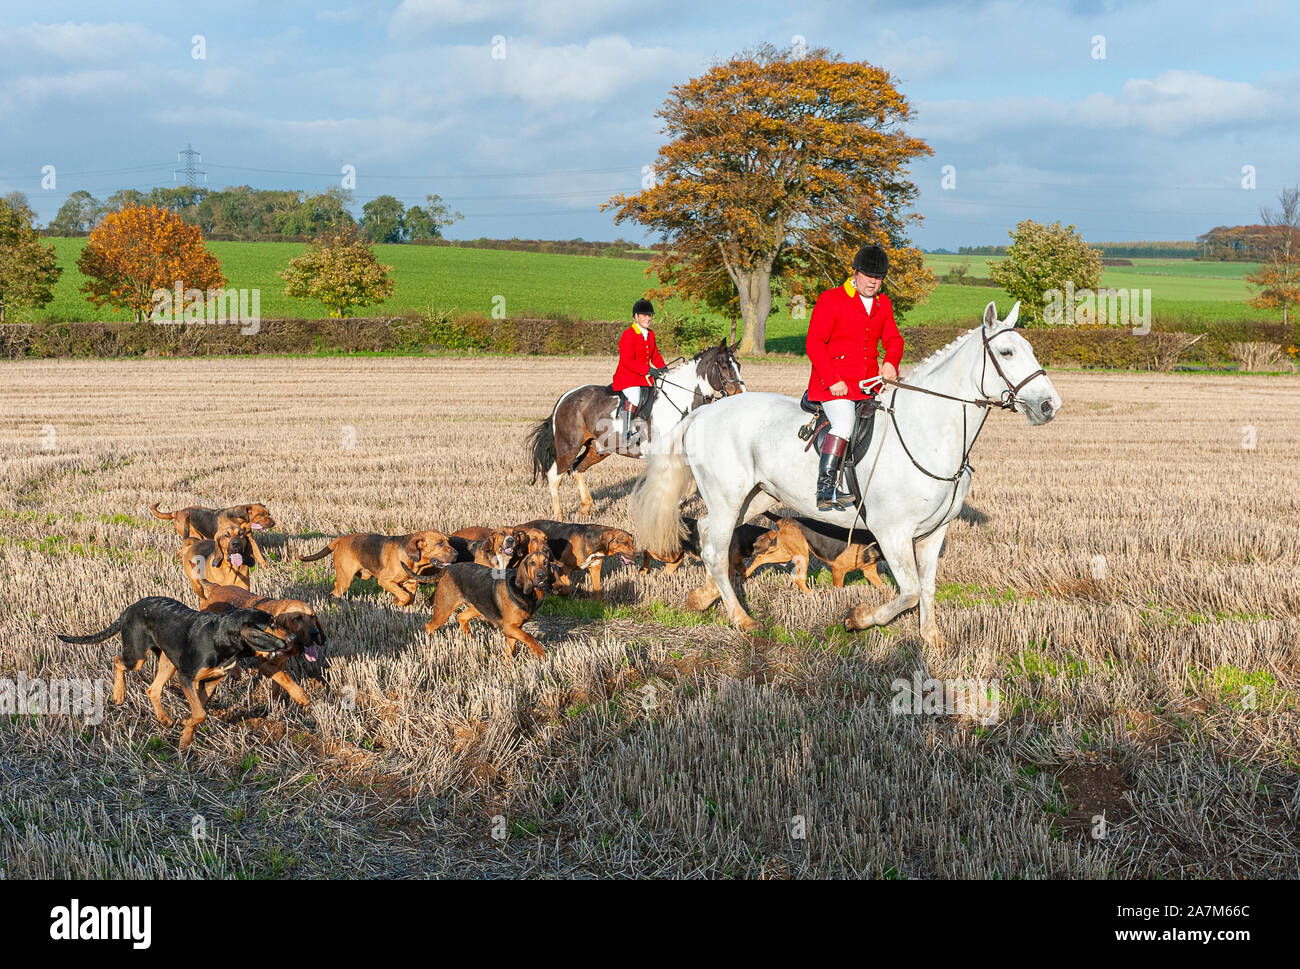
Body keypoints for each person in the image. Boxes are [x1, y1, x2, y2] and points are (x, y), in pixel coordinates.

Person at [805, 244, 905, 511]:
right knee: (844, 424)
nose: (872, 281)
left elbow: (894, 339)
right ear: (855, 273)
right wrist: (832, 379)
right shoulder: (831, 298)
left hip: (870, 384)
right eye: (867, 275)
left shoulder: (883, 304)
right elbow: (814, 343)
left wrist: (890, 362)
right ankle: (825, 489)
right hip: (834, 385)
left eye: (878, 277)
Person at [612, 298, 666, 448]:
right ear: (635, 317)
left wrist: (663, 369)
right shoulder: (628, 335)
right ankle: (626, 431)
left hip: (644, 377)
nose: (648, 318)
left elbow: (655, 355)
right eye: (644, 315)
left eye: (650, 315)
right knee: (635, 396)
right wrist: (648, 370)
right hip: (627, 376)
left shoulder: (651, 334)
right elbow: (627, 360)